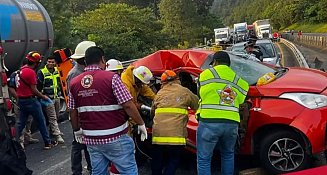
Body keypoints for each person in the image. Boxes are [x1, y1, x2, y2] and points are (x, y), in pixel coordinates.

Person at [68, 46, 148, 175]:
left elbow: (72, 110)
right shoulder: (112, 78)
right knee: (128, 170)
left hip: (91, 139)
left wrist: (77, 130)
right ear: (102, 59)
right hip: (115, 137)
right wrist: (141, 123)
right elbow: (128, 105)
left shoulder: (74, 83)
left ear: (85, 60)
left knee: (98, 172)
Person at [196, 51, 249, 175]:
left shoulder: (205, 74)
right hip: (231, 123)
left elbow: (199, 93)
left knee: (204, 159)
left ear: (215, 62)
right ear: (229, 64)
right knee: (228, 155)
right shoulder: (239, 80)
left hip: (209, 121)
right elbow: (241, 100)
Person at [151, 70, 199, 175]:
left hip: (158, 136)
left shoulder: (159, 94)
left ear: (162, 83)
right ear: (177, 79)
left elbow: (152, 113)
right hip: (176, 136)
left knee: (157, 160)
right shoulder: (185, 91)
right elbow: (197, 105)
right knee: (174, 159)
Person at [16, 51, 57, 150]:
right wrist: (43, 97)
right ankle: (47, 143)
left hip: (21, 101)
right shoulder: (31, 72)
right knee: (41, 121)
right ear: (36, 63)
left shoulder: (20, 70)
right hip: (31, 101)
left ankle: (14, 142)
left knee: (20, 123)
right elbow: (34, 90)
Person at [67, 41, 95, 175]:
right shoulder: (75, 74)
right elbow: (74, 100)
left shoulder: (82, 71)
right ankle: (77, 171)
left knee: (88, 143)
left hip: (84, 114)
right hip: (78, 115)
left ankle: (91, 167)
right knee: (78, 144)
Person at [8, 69, 39, 148]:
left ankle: (28, 137)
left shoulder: (29, 74)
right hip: (19, 102)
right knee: (20, 121)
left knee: (29, 120)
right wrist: (18, 98)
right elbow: (11, 88)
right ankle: (20, 141)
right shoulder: (15, 75)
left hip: (28, 100)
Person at [37, 56, 64, 143]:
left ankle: (52, 131)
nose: (51, 63)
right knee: (52, 117)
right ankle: (57, 135)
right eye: (49, 62)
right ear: (46, 62)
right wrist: (42, 96)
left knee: (56, 115)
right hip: (47, 98)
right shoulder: (42, 72)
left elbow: (60, 83)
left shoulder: (57, 70)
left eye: (52, 62)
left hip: (56, 97)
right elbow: (38, 86)